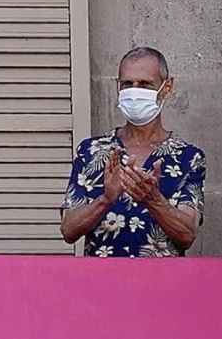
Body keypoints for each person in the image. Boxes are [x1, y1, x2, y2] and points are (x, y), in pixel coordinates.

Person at [60, 47, 206, 257]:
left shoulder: (188, 158)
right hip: (101, 283)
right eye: (127, 84)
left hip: (162, 284)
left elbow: (187, 234)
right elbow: (68, 230)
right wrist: (106, 199)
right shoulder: (91, 151)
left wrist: (152, 199)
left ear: (167, 87)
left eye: (145, 84)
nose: (134, 91)